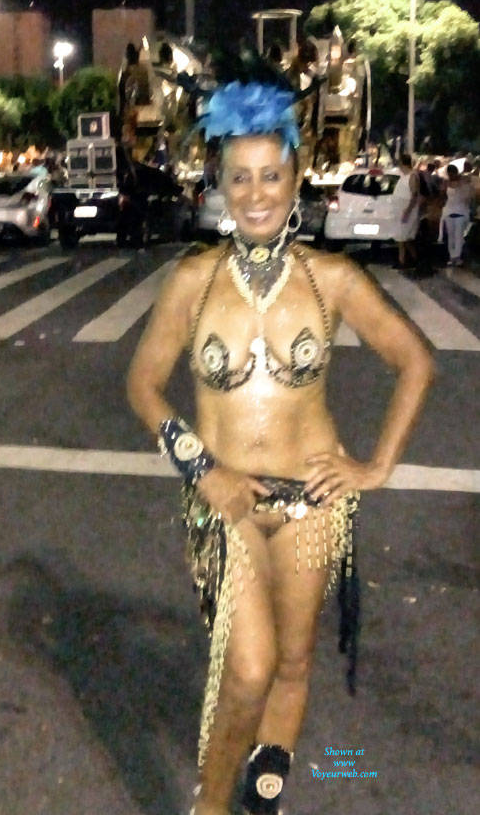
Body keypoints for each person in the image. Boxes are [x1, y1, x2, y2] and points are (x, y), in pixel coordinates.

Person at [127, 80, 434, 815]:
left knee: (293, 662)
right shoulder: (193, 280)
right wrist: (201, 468)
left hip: (313, 504)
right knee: (250, 668)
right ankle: (210, 806)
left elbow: (415, 361)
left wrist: (375, 467)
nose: (256, 193)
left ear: (297, 177)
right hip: (226, 501)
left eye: (271, 175)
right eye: (240, 177)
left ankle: (264, 791)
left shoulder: (333, 279)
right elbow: (142, 385)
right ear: (220, 184)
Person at [438, 163, 473, 266]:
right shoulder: (446, 182)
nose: (451, 175)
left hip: (461, 211)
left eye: (452, 173)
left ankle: (457, 256)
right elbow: (442, 196)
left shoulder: (463, 181)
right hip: (449, 210)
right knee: (451, 235)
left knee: (458, 235)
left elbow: (468, 195)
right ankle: (452, 256)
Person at [392, 152, 420, 268]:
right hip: (401, 211)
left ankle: (402, 261)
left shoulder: (412, 176)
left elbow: (414, 195)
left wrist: (407, 211)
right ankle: (415, 259)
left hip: (407, 212)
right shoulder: (403, 176)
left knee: (402, 238)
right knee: (404, 238)